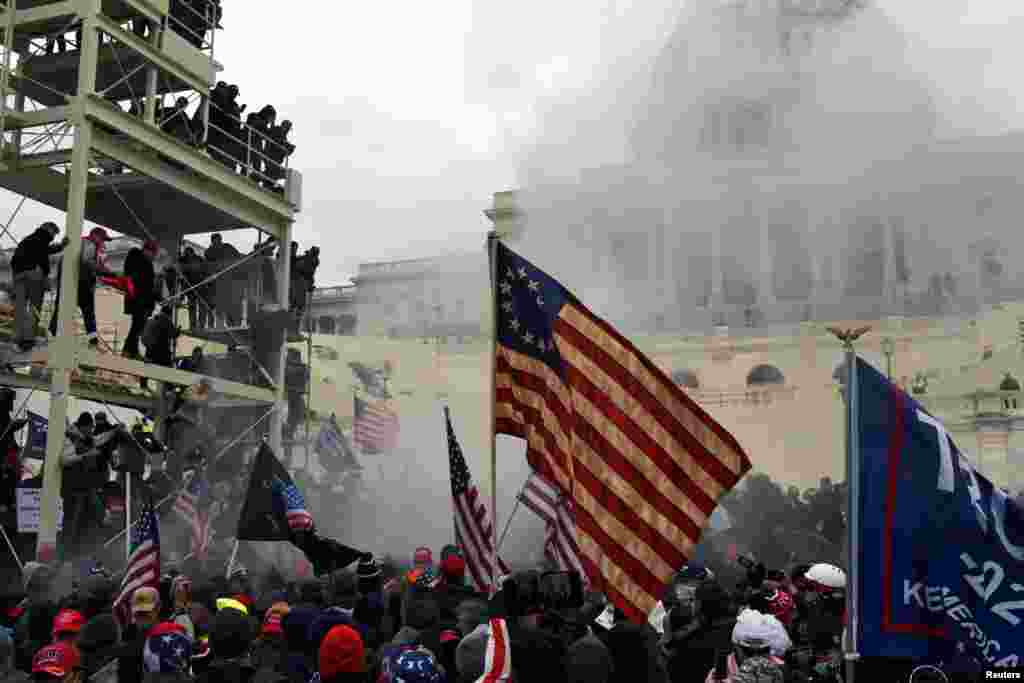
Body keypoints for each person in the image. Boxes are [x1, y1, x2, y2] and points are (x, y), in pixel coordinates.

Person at [59, 413, 119, 561]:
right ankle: (64, 556)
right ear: (84, 426)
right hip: (73, 490)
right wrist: (86, 455)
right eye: (91, 427)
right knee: (71, 523)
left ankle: (81, 552)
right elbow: (64, 460)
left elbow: (99, 439)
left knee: (89, 519)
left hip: (85, 487)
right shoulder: (70, 438)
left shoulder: (86, 438)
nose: (92, 430)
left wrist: (113, 432)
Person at [50, 227, 113, 347]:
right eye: (102, 239)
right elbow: (87, 261)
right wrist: (106, 272)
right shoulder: (90, 244)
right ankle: (93, 342)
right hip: (82, 285)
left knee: (59, 310)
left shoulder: (76, 244)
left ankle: (51, 337)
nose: (103, 242)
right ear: (95, 235)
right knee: (89, 314)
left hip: (67, 282)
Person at [12, 222, 68, 351]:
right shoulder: (42, 238)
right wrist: (45, 277)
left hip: (18, 275)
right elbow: (43, 257)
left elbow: (44, 250)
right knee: (34, 308)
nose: (54, 236)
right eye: (54, 233)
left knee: (20, 308)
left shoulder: (28, 239)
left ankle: (16, 340)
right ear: (48, 229)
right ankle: (28, 341)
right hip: (33, 274)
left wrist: (59, 247)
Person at [122, 240, 160, 360]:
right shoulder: (137, 258)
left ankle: (132, 351)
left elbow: (148, 286)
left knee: (138, 327)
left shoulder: (145, 263)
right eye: (154, 254)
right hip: (138, 299)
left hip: (142, 300)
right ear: (147, 251)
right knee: (137, 327)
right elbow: (142, 283)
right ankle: (127, 351)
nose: (154, 257)